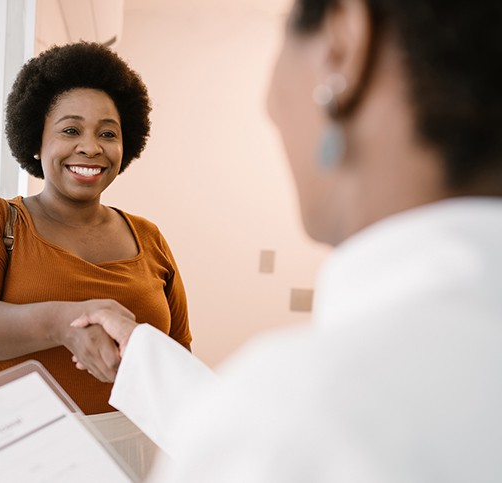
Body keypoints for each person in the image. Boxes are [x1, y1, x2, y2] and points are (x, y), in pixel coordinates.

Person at [71, 0, 502, 481]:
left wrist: (248, 419)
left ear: (342, 45)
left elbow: (281, 436)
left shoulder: (293, 422)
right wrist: (142, 356)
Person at [0, 41, 192, 418]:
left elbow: (178, 352)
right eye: (70, 130)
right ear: (37, 140)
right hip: (21, 456)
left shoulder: (149, 239)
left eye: (107, 134)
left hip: (134, 460)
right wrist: (63, 324)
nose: (90, 147)